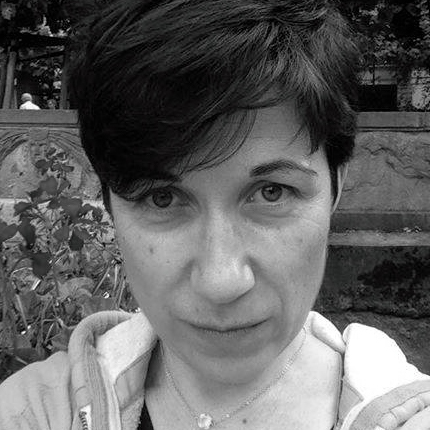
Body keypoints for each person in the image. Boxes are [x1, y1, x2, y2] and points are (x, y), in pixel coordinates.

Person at [1, 0, 430, 429]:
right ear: (109, 203)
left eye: (271, 192)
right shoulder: (30, 413)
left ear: (336, 185)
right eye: (162, 198)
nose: (221, 282)